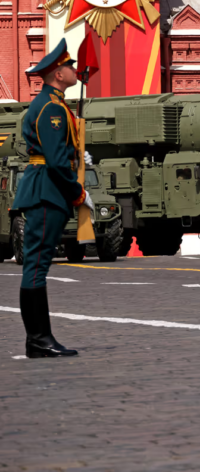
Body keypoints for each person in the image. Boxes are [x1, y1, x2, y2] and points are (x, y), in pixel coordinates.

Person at [13, 38, 93, 358]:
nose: (74, 70)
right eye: (69, 66)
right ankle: (39, 339)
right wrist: (77, 192)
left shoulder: (52, 103)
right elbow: (57, 160)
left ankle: (39, 339)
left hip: (46, 187)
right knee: (36, 265)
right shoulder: (51, 107)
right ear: (58, 74)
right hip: (47, 190)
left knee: (38, 264)